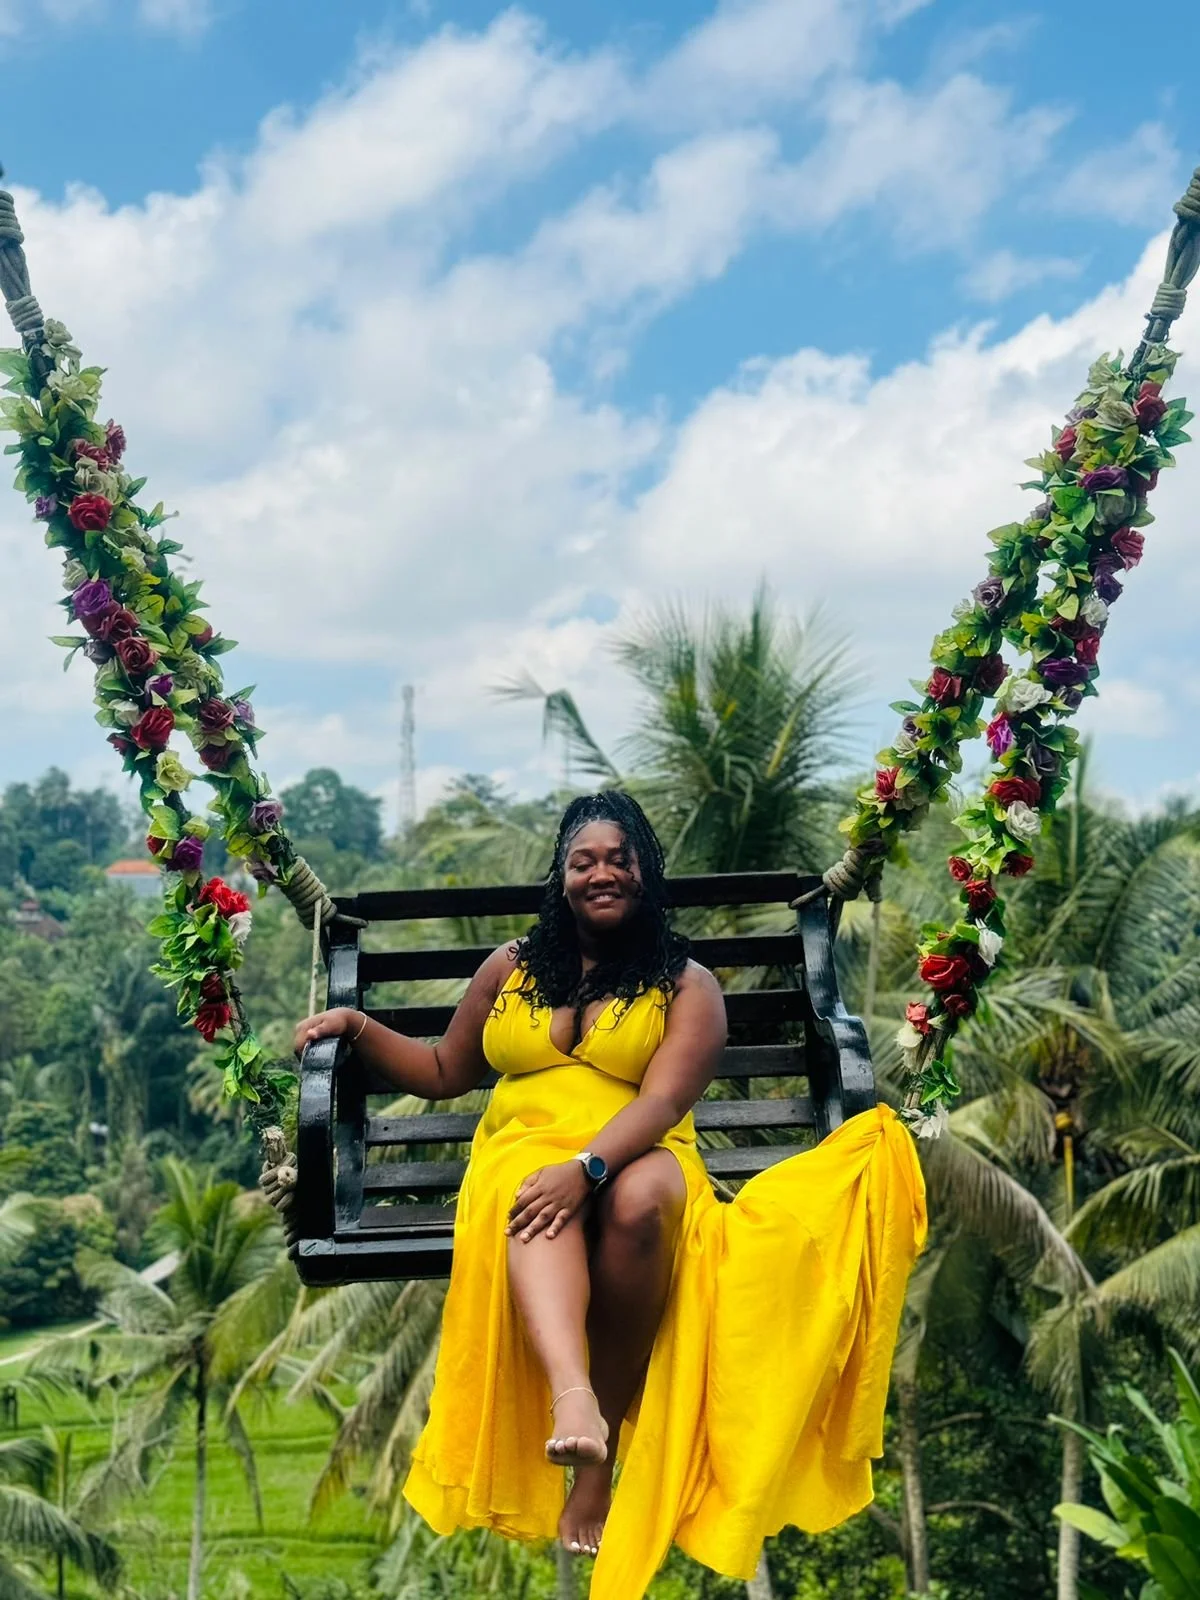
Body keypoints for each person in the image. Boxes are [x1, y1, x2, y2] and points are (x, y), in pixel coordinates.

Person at [293, 791, 926, 1600]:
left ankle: (600, 1465)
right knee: (530, 1191)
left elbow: (662, 1104)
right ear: (561, 876)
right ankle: (577, 1404)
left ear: (645, 872)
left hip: (641, 1150)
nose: (602, 874)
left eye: (619, 859)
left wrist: (586, 1168)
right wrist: (355, 1024)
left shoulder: (686, 984)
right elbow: (445, 1072)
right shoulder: (510, 968)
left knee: (639, 1202)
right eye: (584, 861)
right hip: (524, 1153)